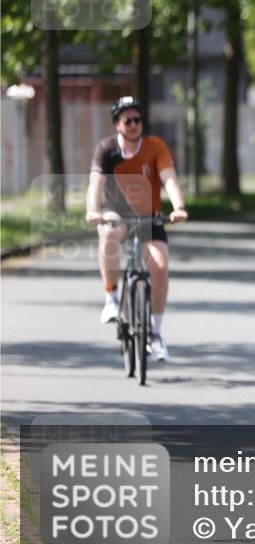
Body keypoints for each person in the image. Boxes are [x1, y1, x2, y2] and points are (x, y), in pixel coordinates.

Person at [85, 96, 188, 362]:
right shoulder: (106, 150)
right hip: (116, 212)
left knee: (160, 268)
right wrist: (93, 210)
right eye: (127, 120)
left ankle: (155, 334)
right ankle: (111, 298)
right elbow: (95, 184)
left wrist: (178, 207)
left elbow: (169, 179)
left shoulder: (155, 146)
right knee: (109, 234)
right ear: (117, 124)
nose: (133, 125)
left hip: (149, 217)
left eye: (137, 120)